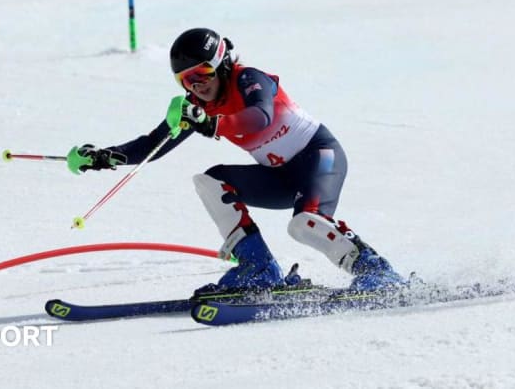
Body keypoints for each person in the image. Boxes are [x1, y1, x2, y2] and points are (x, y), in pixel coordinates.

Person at [74, 28, 404, 292]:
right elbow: (153, 145)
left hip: (319, 158)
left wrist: (209, 123)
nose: (198, 86)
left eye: (202, 73)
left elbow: (259, 117)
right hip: (280, 177)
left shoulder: (248, 79)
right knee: (210, 181)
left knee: (305, 224)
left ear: (222, 65)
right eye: (187, 80)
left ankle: (375, 271)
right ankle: (259, 270)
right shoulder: (198, 106)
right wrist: (107, 157)